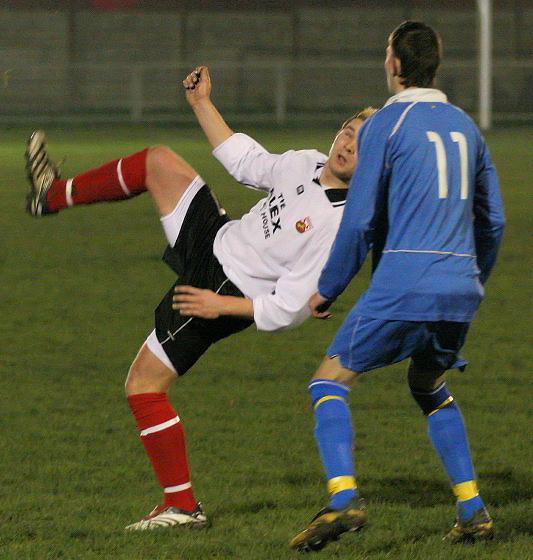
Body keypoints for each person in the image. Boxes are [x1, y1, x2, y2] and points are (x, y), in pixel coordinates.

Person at [25, 65, 376, 530]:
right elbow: (249, 162)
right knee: (158, 161)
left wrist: (221, 307)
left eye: (362, 144)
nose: (347, 144)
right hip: (216, 237)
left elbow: (291, 309)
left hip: (229, 290)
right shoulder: (306, 162)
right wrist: (201, 103)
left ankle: (183, 507)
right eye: (348, 132)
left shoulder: (339, 226)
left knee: (143, 385)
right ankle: (51, 194)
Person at [289, 21, 505, 553]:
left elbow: (360, 219)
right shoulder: (466, 126)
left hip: (406, 282)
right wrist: (472, 279)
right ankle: (472, 509)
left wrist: (329, 288)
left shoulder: (386, 122)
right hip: (460, 288)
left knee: (328, 383)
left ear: (394, 64)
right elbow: (493, 221)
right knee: (428, 386)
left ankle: (343, 499)